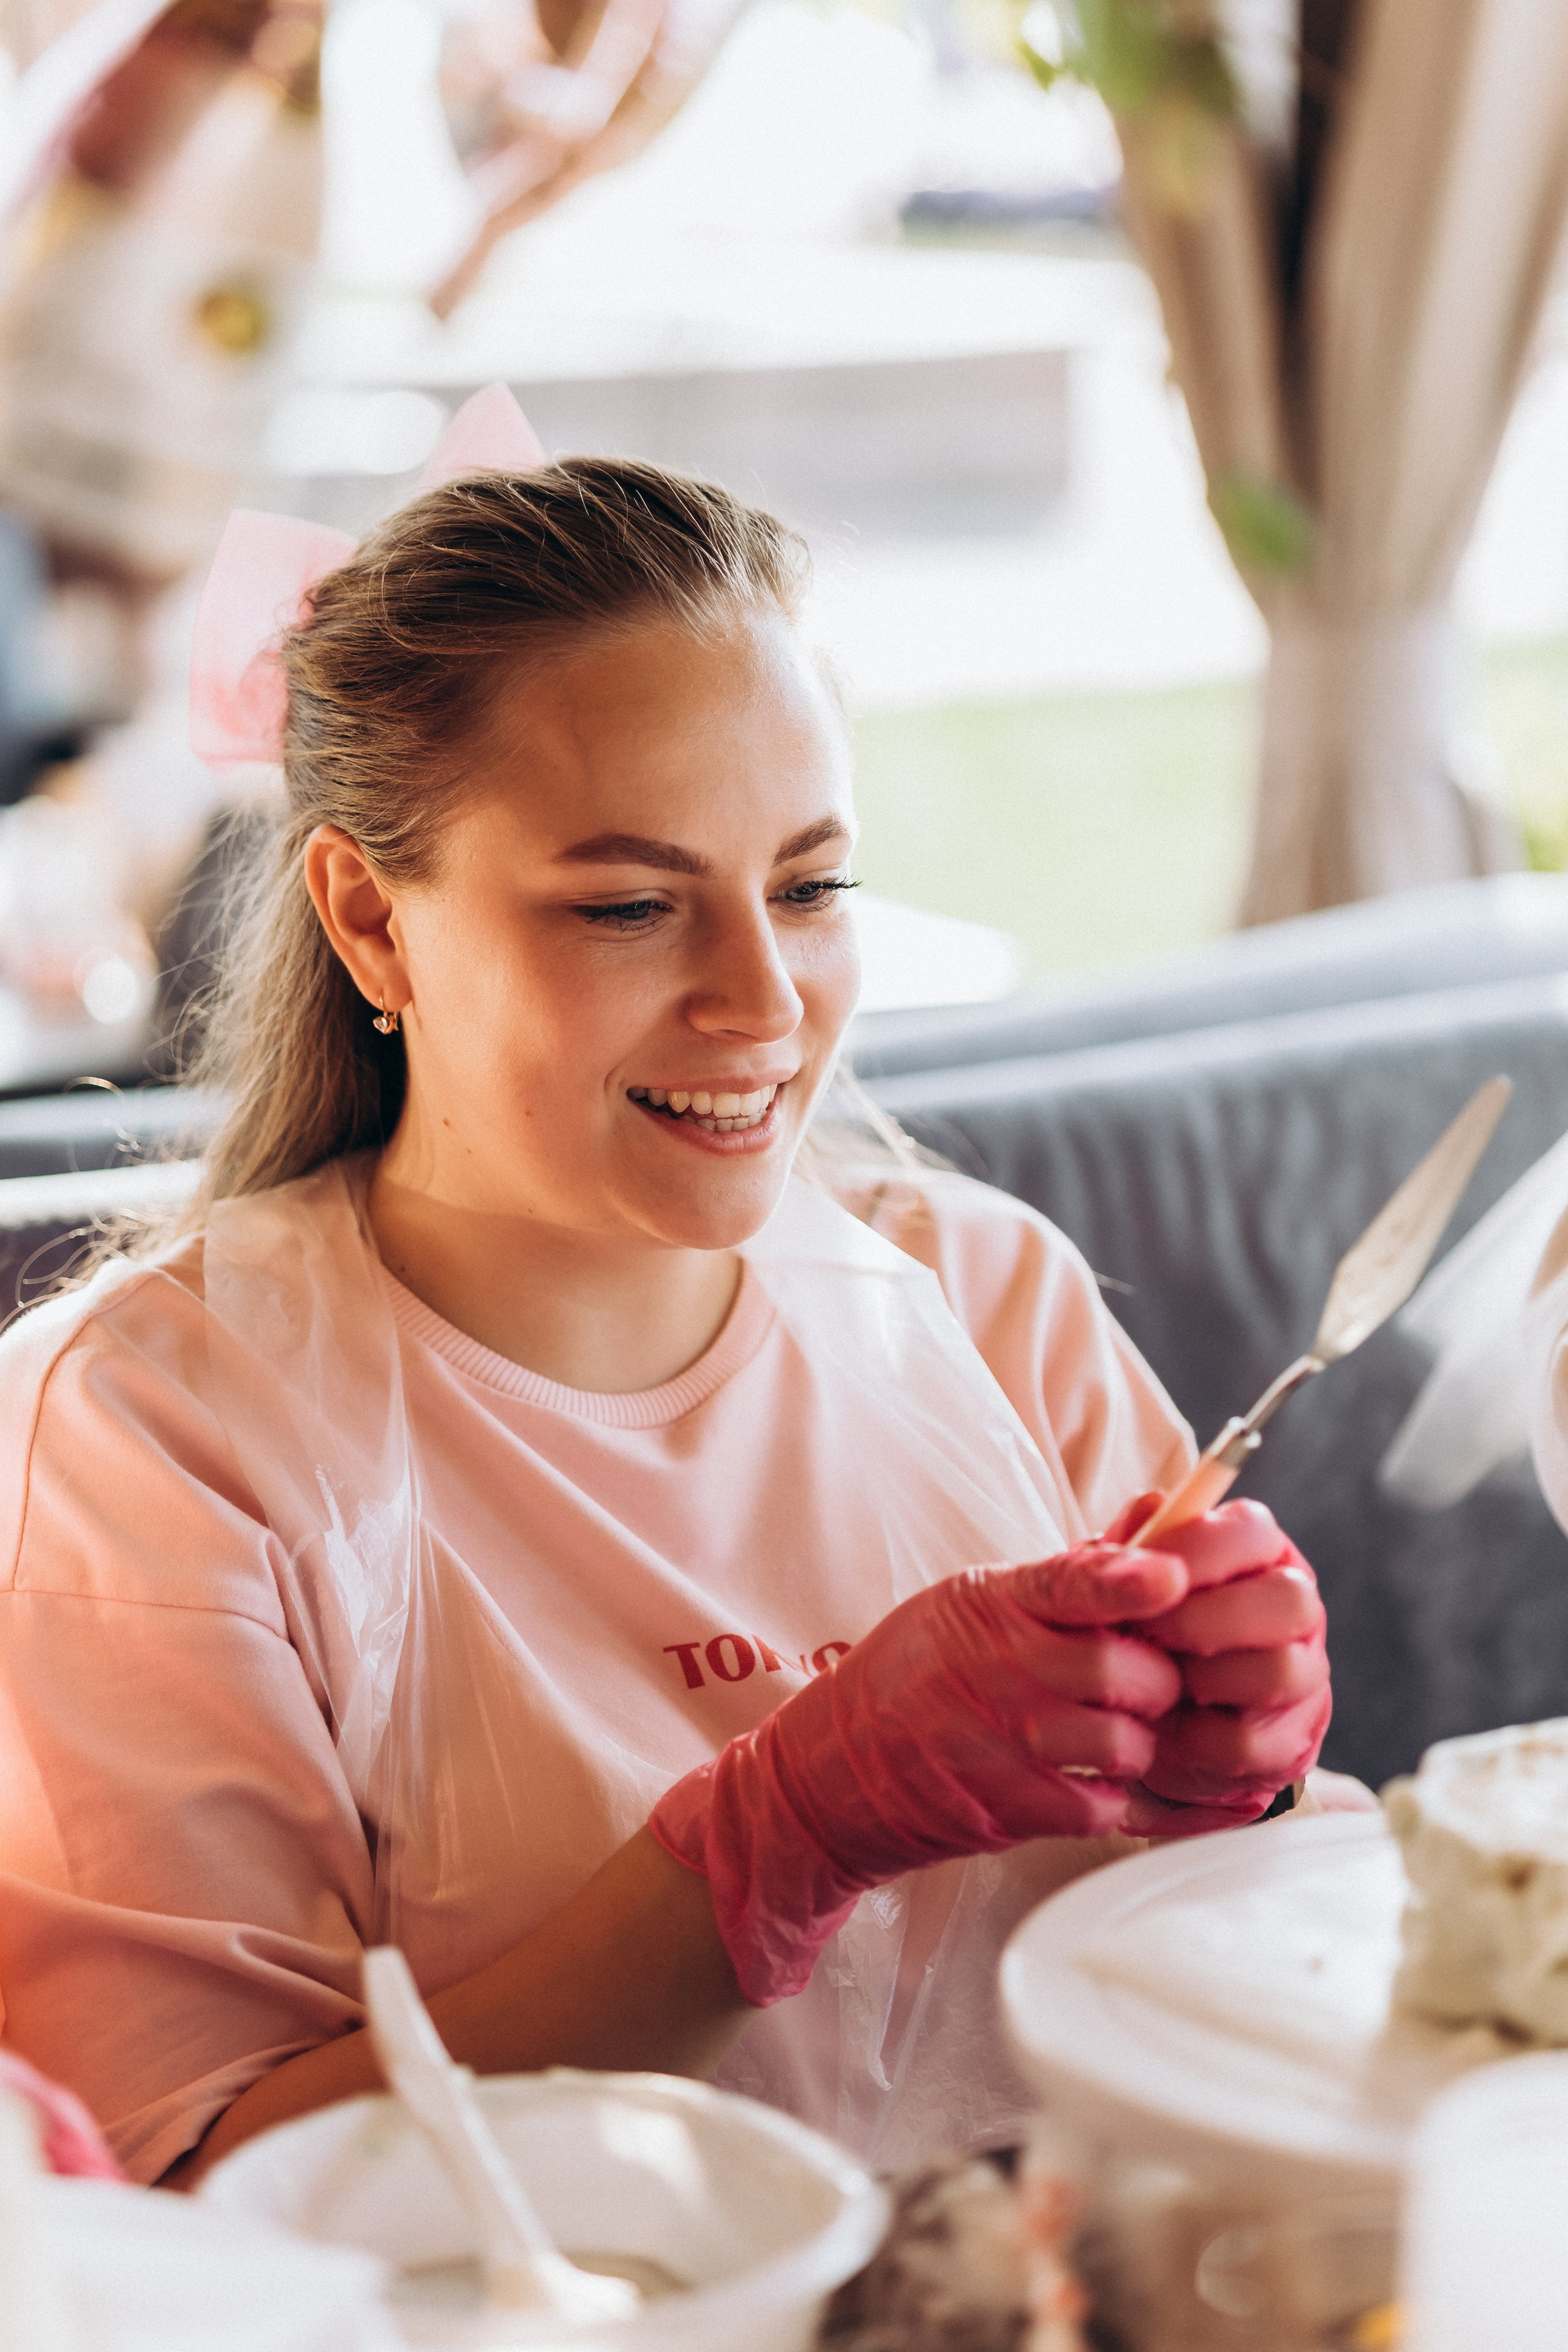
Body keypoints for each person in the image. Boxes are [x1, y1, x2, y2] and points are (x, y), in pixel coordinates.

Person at [0, 391, 1333, 2192]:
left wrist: (1238, 1790)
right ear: (372, 918)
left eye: (811, 886)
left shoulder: (984, 1293)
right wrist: (778, 1837)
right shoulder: (153, 1436)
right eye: (629, 907)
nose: (764, 1003)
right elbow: (199, 2193)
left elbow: (1248, 1980)